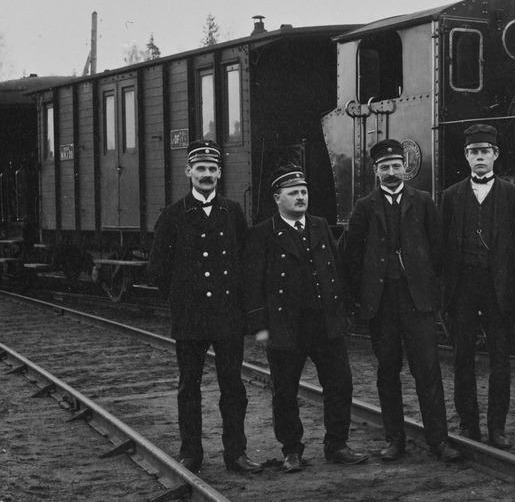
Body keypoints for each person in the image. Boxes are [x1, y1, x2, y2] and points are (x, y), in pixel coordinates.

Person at [343, 139, 462, 464]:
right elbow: (353, 256)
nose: (391, 172)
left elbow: (438, 250)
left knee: (428, 371)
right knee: (387, 371)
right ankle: (395, 440)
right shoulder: (364, 207)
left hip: (417, 301)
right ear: (376, 170)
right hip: (382, 303)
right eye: (385, 167)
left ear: (405, 168)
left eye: (396, 165)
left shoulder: (423, 201)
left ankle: (439, 441)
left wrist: (429, 288)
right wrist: (363, 297)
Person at [243, 165, 368, 473]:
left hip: (325, 322)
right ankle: (291, 450)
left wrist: (344, 313)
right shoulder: (263, 233)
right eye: (293, 193)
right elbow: (252, 283)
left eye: (303, 192)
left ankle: (337, 445)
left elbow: (336, 269)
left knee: (340, 384)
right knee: (285, 391)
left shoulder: (319, 225)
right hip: (286, 325)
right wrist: (260, 327)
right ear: (277, 198)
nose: (300, 197)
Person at [149, 139, 263, 474]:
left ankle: (236, 453)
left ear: (220, 173)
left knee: (233, 387)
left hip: (228, 317)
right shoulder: (173, 215)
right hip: (191, 318)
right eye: (200, 168)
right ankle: (191, 454)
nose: (207, 174)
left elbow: (247, 261)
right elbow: (157, 269)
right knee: (189, 388)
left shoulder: (233, 212)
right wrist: (182, 298)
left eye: (213, 169)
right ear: (188, 171)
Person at [438, 124, 515, 449]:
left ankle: (497, 428)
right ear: (466, 156)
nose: (479, 157)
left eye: (484, 151)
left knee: (500, 360)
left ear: (495, 154)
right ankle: (468, 425)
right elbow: (442, 247)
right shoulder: (451, 195)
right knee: (463, 358)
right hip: (462, 287)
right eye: (474, 152)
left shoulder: (514, 196)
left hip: (498, 288)